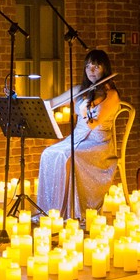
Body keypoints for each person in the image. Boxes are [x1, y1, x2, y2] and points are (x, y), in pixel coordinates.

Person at [37, 49, 122, 218]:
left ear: (105, 68)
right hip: (76, 138)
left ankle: (70, 212)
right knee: (48, 153)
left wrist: (84, 111)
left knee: (66, 156)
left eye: (96, 67)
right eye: (88, 66)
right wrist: (31, 102)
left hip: (98, 144)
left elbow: (93, 124)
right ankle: (52, 209)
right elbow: (52, 102)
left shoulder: (111, 95)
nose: (91, 71)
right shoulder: (80, 90)